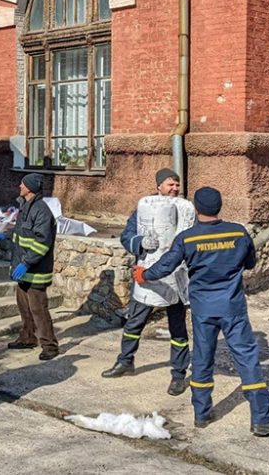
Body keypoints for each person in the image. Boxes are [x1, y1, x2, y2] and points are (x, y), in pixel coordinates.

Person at [139, 187, 269, 438]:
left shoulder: (187, 238)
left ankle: (202, 414)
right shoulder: (238, 232)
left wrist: (144, 275)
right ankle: (262, 419)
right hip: (233, 307)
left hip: (203, 309)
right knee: (247, 360)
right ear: (220, 206)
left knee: (202, 358)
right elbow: (250, 263)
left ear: (196, 209)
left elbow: (165, 266)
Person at [102, 168, 193, 397]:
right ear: (158, 187)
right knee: (134, 323)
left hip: (175, 278)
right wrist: (141, 241)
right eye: (170, 184)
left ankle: (179, 375)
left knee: (178, 328)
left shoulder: (184, 210)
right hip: (146, 275)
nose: (174, 189)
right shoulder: (143, 211)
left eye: (177, 185)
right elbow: (127, 236)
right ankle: (125, 361)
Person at [0, 173, 58, 361]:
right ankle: (27, 338)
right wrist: (4, 242)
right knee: (24, 307)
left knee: (38, 310)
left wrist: (26, 263)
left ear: (30, 188)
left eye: (22, 184)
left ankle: (50, 346)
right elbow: (20, 239)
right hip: (22, 270)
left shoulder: (41, 211)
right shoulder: (25, 207)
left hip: (35, 271)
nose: (19, 186)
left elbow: (42, 242)